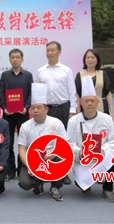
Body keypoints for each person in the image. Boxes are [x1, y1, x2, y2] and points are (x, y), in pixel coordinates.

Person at [67, 76, 114, 203]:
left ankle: (107, 189)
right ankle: (85, 183)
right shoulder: (73, 121)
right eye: (86, 101)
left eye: (92, 101)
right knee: (82, 185)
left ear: (97, 102)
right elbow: (69, 144)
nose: (89, 103)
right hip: (83, 159)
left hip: (102, 156)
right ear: (81, 103)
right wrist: (79, 151)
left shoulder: (106, 119)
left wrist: (103, 150)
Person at [17, 84, 67, 202]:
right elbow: (21, 149)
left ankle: (55, 187)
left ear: (46, 109)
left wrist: (54, 154)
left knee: (63, 158)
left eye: (39, 107)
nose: (35, 111)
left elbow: (65, 144)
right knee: (25, 183)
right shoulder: (25, 126)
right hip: (33, 160)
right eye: (33, 108)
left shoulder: (57, 123)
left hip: (52, 158)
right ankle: (38, 183)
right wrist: (29, 165)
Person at [36, 41, 77, 184]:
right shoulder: (41, 71)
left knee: (62, 142)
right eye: (48, 50)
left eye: (53, 50)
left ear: (59, 52)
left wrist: (72, 111)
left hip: (63, 108)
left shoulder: (66, 70)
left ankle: (63, 172)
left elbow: (72, 91)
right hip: (47, 109)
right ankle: (45, 168)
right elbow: (39, 92)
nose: (50, 53)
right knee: (46, 140)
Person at [0, 48, 32, 181]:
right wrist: (4, 107)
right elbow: (1, 93)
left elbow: (30, 94)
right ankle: (10, 171)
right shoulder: (5, 75)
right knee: (7, 143)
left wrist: (26, 107)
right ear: (9, 60)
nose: (15, 60)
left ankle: (21, 169)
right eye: (12, 57)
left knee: (23, 142)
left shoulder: (28, 75)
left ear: (22, 59)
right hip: (8, 115)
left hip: (22, 114)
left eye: (17, 57)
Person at [75, 49, 114, 117]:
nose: (90, 60)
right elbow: (78, 95)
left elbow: (108, 94)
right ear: (84, 60)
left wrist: (112, 112)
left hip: (101, 108)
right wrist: (78, 112)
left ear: (97, 60)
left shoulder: (103, 74)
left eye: (92, 57)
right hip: (85, 109)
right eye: (88, 58)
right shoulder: (80, 75)